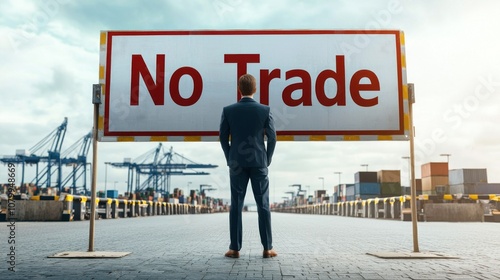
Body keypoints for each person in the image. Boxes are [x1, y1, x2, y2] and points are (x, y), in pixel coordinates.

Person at [219, 74, 277, 258]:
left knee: (236, 205)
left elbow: (222, 136)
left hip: (237, 163)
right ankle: (267, 248)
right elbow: (273, 137)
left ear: (239, 89)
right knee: (263, 205)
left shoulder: (228, 110)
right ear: (255, 89)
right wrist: (267, 158)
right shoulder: (265, 110)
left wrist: (230, 157)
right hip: (259, 162)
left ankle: (234, 248)